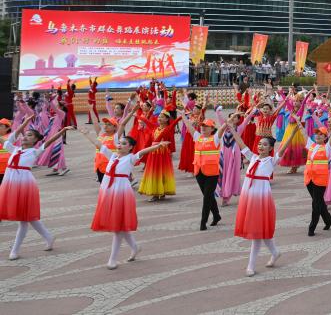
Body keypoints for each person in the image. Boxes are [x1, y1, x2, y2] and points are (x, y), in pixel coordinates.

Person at [82, 109, 168, 269]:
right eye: (119, 143)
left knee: (117, 228)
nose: (119, 145)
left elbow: (143, 151)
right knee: (120, 226)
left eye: (123, 144)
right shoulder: (113, 156)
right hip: (108, 191)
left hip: (121, 192)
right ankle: (135, 247)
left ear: (130, 148)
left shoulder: (131, 158)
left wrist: (158, 145)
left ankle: (112, 259)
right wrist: (86, 134)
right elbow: (98, 144)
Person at [0, 117, 71, 260]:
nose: (25, 137)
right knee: (29, 217)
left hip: (25, 185)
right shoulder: (14, 149)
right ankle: (48, 237)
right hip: (10, 184)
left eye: (30, 135)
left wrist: (62, 130)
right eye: (25, 135)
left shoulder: (34, 151)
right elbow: (7, 137)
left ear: (35, 140)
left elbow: (49, 141)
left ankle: (15, 250)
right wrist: (24, 123)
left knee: (24, 219)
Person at [236, 135, 283, 276]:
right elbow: (241, 143)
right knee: (260, 231)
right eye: (259, 144)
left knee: (256, 233)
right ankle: (275, 252)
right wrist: (231, 129)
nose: (261, 146)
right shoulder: (253, 157)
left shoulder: (272, 161)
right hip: (248, 197)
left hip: (261, 198)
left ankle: (251, 266)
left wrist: (293, 132)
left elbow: (284, 147)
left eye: (264, 145)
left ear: (270, 148)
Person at [299, 120, 331, 236]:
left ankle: (312, 227)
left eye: (321, 134)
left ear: (325, 137)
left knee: (315, 204)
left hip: (320, 179)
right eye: (316, 134)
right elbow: (303, 133)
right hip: (309, 178)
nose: (318, 136)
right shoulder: (311, 145)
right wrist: (297, 120)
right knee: (319, 202)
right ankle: (328, 219)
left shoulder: (328, 147)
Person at [183, 117, 228, 230]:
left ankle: (203, 222)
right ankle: (216, 215)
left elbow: (222, 128)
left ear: (212, 129)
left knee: (207, 197)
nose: (203, 128)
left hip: (211, 172)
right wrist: (183, 115)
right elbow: (189, 126)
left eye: (206, 126)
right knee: (208, 195)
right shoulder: (198, 137)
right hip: (199, 171)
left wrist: (229, 120)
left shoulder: (215, 138)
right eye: (202, 126)